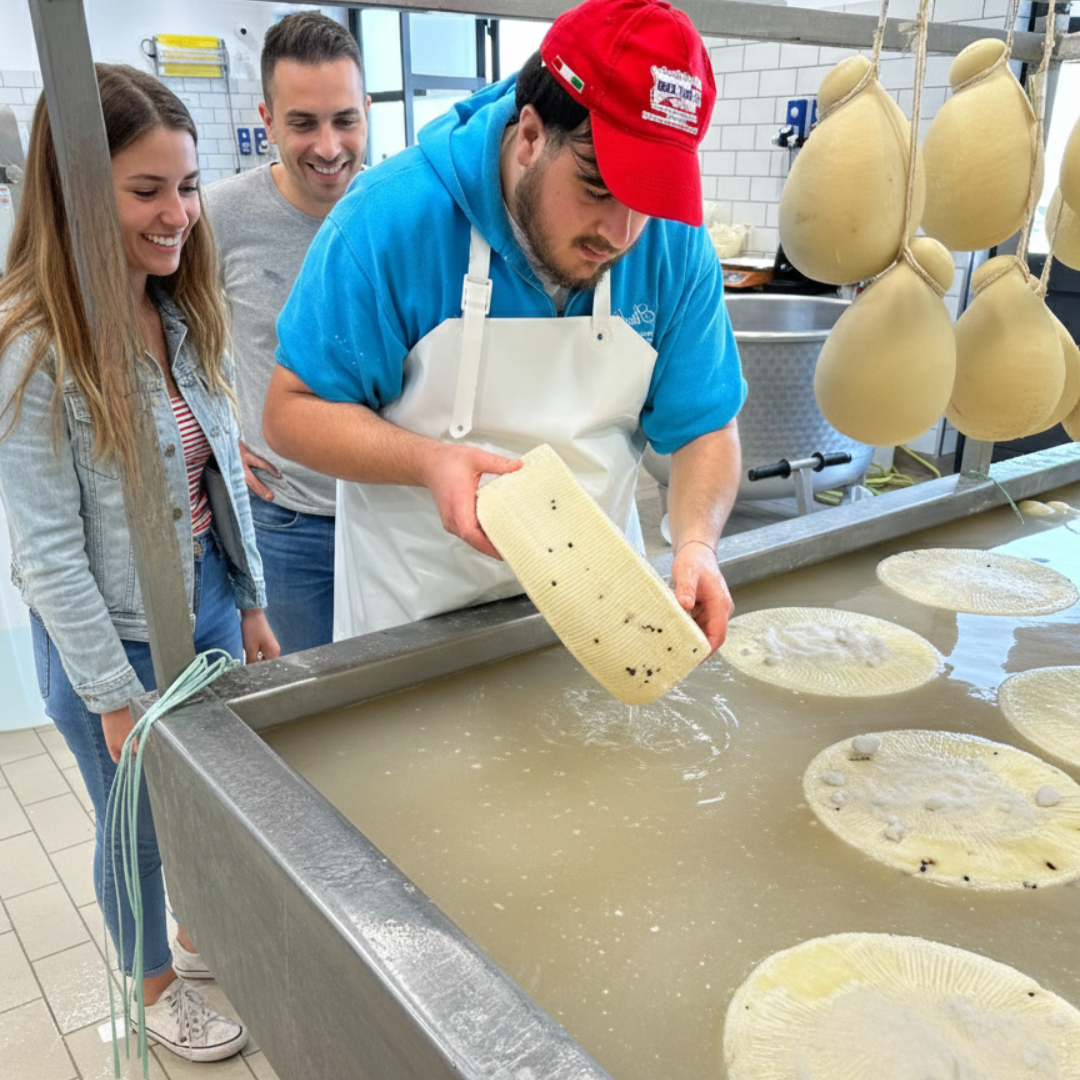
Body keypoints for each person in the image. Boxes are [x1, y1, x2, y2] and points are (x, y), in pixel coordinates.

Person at [263, 0, 745, 651]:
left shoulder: (676, 246)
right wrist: (429, 461)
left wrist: (696, 544)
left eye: (649, 201)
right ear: (529, 134)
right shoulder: (389, 222)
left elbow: (706, 429)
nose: (622, 234)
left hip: (595, 620)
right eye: (599, 188)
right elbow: (290, 412)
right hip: (413, 623)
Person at [0, 65, 279, 1062]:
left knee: (205, 803)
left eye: (190, 186)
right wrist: (113, 696)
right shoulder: (35, 347)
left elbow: (220, 478)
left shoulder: (179, 310)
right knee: (139, 830)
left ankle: (198, 938)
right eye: (147, 191)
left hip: (200, 606)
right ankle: (154, 983)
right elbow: (47, 551)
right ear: (77, 191)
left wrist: (245, 599)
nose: (180, 215)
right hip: (108, 635)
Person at [204, 12, 369, 654]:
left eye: (344, 120)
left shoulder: (399, 208)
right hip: (288, 520)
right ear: (267, 120)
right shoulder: (221, 215)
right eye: (302, 123)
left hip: (397, 513)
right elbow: (156, 337)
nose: (328, 147)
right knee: (309, 710)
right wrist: (218, 435)